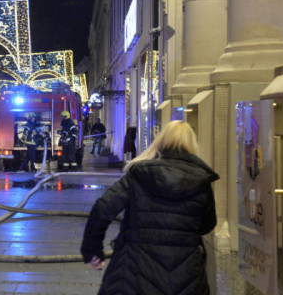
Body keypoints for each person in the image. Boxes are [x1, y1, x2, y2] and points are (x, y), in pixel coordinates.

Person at [80, 120, 219, 294]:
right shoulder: (201, 182)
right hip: (186, 275)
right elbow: (207, 225)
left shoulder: (139, 174)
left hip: (133, 271)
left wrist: (93, 250)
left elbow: (103, 208)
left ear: (160, 140)